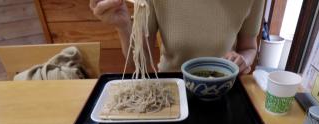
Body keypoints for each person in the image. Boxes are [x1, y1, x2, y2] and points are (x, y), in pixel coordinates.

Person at [90, 0, 265, 75]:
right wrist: (123, 26)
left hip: (224, 86)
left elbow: (249, 47)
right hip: (171, 85)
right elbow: (139, 61)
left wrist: (243, 60)